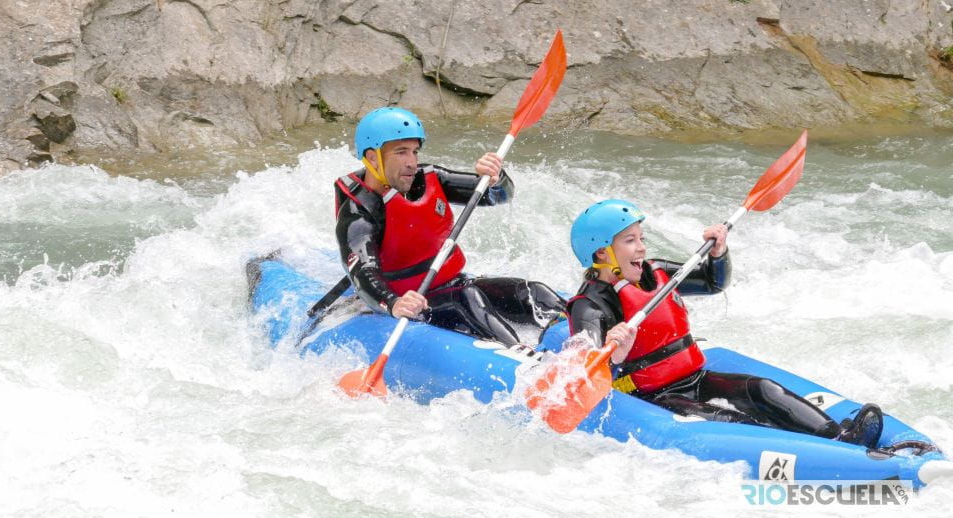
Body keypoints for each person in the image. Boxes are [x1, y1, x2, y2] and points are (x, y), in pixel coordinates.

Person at [565, 199, 884, 448]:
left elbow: (711, 283)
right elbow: (585, 371)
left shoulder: (656, 271)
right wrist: (616, 355)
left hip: (693, 376)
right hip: (650, 396)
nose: (642, 247)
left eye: (641, 238)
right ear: (602, 254)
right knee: (731, 421)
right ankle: (810, 450)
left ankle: (839, 437)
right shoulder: (590, 305)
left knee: (763, 390)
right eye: (630, 241)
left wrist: (718, 253)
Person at [334, 107, 565, 346]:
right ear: (373, 158)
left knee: (533, 293)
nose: (412, 162)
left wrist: (496, 178)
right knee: (467, 297)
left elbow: (500, 195)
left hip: (452, 283)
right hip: (412, 300)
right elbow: (363, 272)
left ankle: (582, 336)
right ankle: (524, 357)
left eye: (414, 151)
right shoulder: (357, 213)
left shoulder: (429, 179)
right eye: (401, 153)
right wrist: (393, 304)